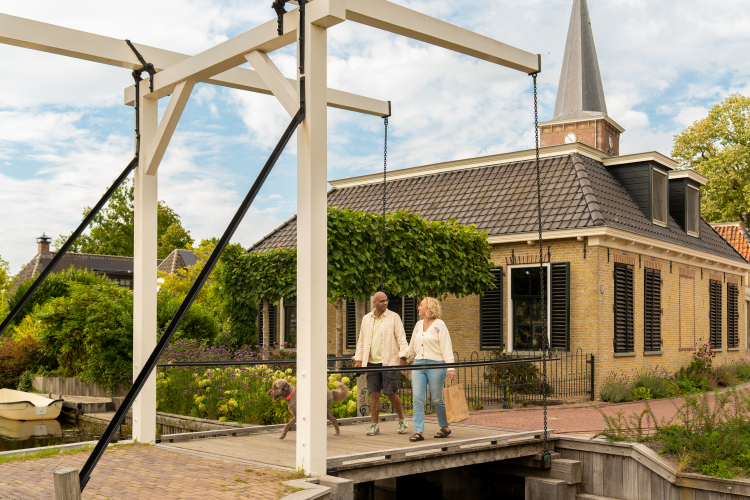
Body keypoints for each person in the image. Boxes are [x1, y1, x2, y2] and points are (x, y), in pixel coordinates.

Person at [353, 291, 409, 436]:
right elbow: (361, 341)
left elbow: (402, 338)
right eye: (382, 301)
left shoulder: (394, 317)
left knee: (390, 393)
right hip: (371, 363)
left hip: (389, 362)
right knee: (374, 395)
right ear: (375, 303)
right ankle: (374, 425)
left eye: (386, 300)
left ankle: (402, 420)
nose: (385, 303)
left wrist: (403, 357)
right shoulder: (366, 319)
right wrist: (358, 359)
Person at [407, 297, 455, 441]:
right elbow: (412, 346)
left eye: (421, 305)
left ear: (429, 308)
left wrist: (450, 367)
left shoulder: (440, 325)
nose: (418, 307)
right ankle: (419, 431)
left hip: (436, 365)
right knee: (417, 398)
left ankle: (445, 427)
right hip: (418, 364)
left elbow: (446, 346)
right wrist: (405, 360)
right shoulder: (418, 324)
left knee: (437, 398)